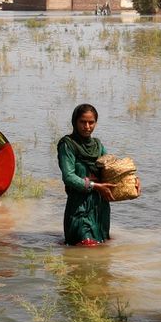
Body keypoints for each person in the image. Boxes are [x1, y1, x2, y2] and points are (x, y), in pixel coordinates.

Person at [57, 104, 114, 245]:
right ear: (75, 122)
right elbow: (68, 177)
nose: (87, 126)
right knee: (86, 246)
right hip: (79, 206)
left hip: (100, 207)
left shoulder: (98, 145)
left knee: (101, 249)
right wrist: (95, 186)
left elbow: (112, 168)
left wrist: (132, 180)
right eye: (83, 122)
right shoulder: (67, 145)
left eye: (91, 122)